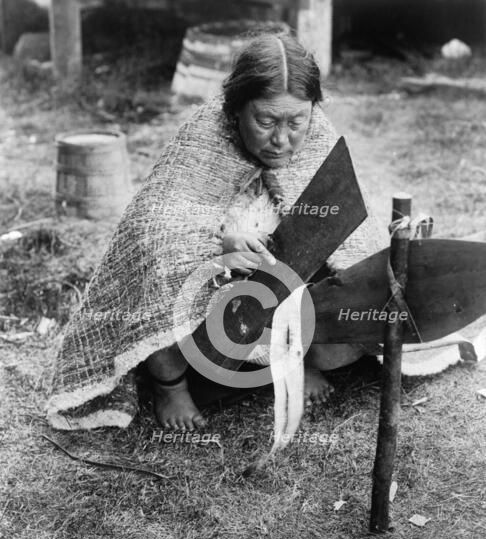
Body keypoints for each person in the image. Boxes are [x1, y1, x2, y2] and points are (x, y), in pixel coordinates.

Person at [47, 33, 388, 432]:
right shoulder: (204, 143)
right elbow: (155, 231)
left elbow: (350, 228)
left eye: (296, 122)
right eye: (265, 122)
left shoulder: (313, 137)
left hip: (284, 293)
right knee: (159, 262)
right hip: (207, 306)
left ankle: (298, 361)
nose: (282, 139)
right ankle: (170, 386)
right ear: (235, 111)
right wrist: (219, 247)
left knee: (337, 258)